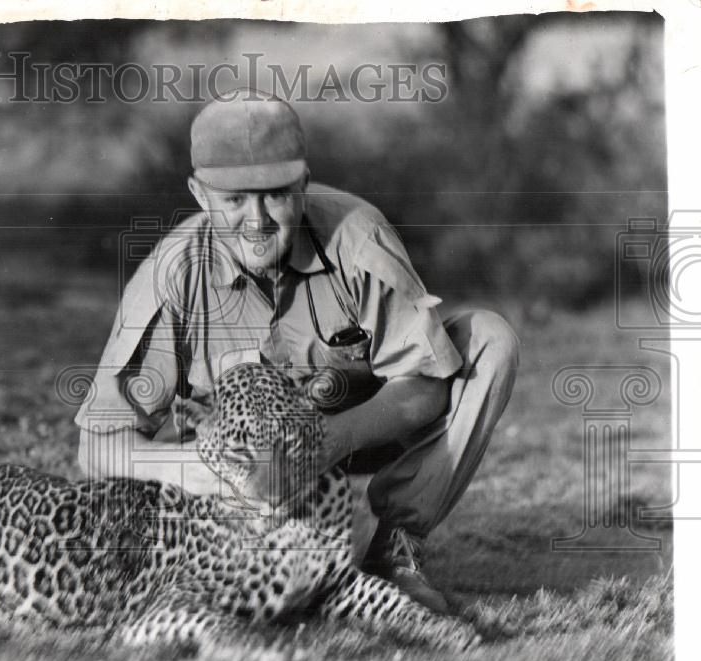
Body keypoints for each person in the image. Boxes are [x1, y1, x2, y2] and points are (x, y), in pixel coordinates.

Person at [75, 88, 519, 613]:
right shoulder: (173, 273)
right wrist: (207, 468)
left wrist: (322, 443)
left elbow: (423, 382)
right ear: (199, 194)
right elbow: (98, 449)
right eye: (234, 200)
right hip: (236, 477)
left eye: (276, 194)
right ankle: (240, 564)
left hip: (356, 429)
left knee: (490, 339)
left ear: (304, 183)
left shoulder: (358, 237)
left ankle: (393, 550)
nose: (258, 219)